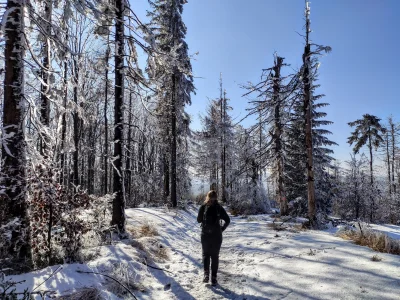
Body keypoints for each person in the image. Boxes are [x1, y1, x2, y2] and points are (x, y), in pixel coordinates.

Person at [197, 190, 230, 286]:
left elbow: (198, 220)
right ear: (216, 198)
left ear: (207, 197)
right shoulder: (219, 208)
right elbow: (227, 220)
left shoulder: (203, 206)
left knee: (206, 255)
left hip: (205, 235)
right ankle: (214, 278)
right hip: (217, 235)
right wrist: (221, 229)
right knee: (215, 256)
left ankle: (206, 274)